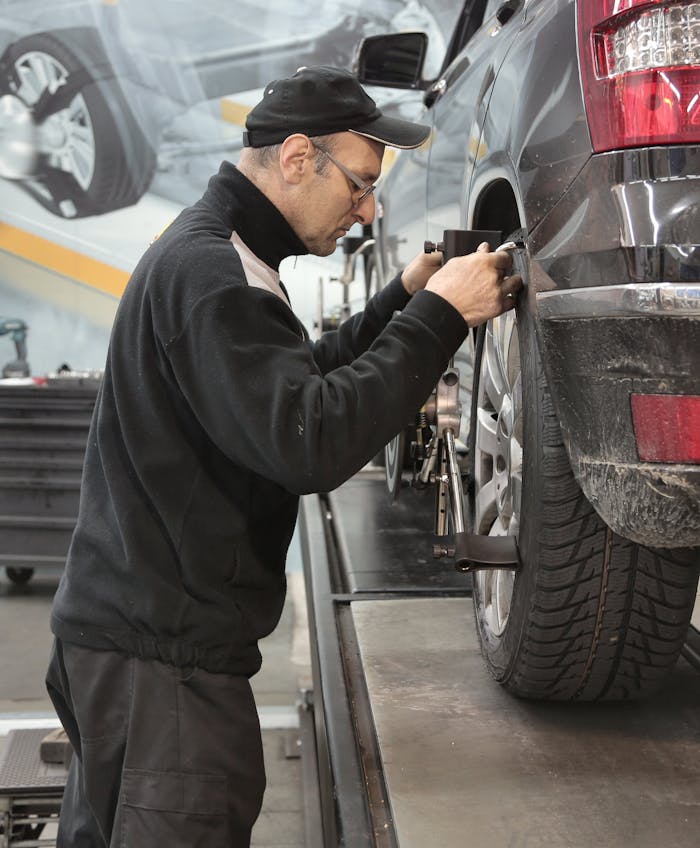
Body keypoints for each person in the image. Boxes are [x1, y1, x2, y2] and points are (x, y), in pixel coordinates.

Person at [45, 65, 522, 846]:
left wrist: (401, 300)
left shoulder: (220, 254)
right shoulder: (212, 276)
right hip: (162, 675)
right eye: (361, 185)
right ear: (299, 158)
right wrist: (440, 317)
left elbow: (288, 380)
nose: (368, 211)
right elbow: (306, 438)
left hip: (131, 652)